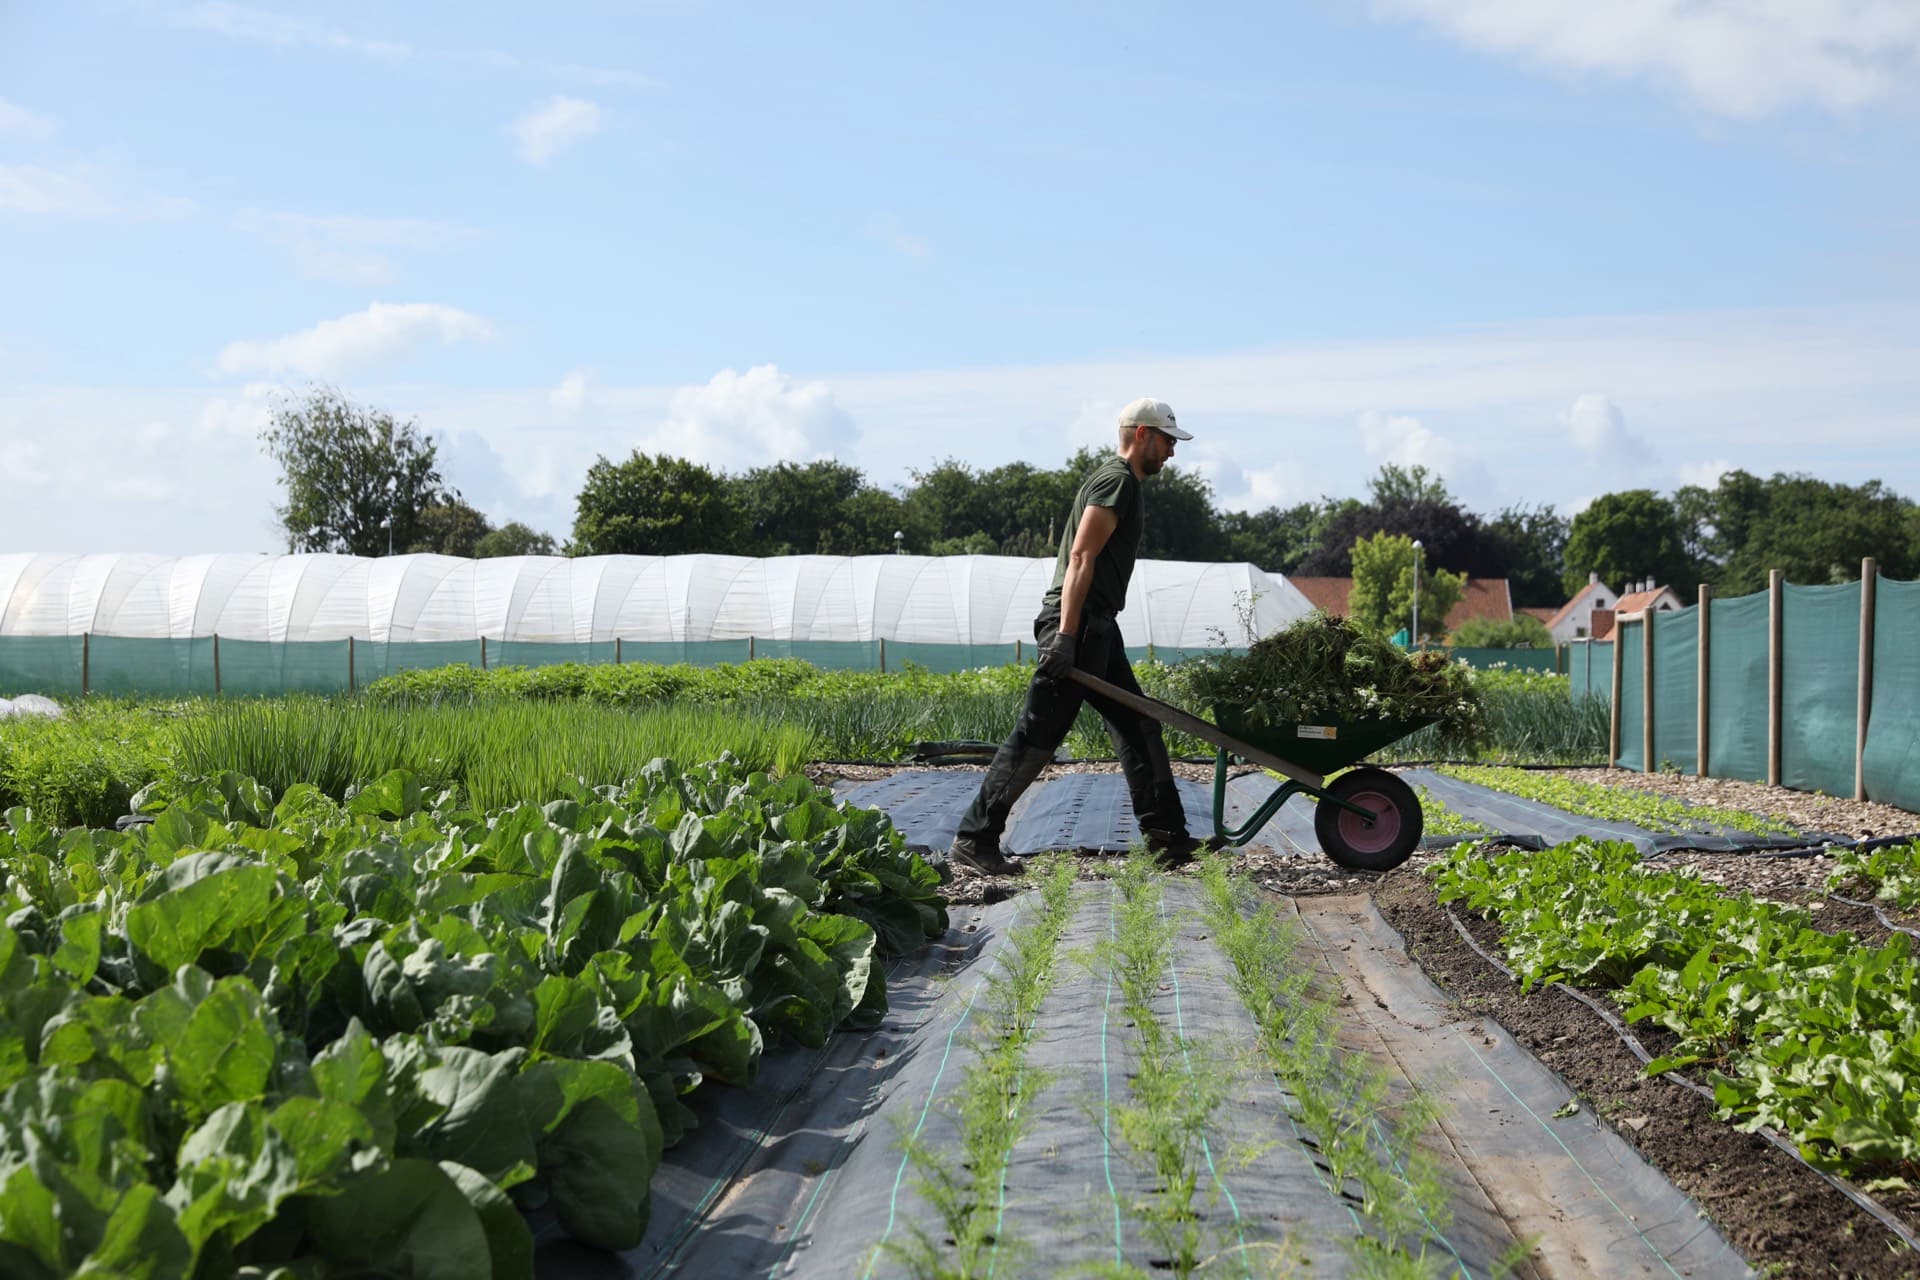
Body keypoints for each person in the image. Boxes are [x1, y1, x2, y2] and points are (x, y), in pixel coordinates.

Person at [948, 397, 1202, 876]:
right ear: (1142, 434)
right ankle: (974, 838)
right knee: (1038, 735)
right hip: (1079, 626)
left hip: (1097, 626)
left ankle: (1168, 839)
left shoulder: (1123, 482)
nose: (1172, 451)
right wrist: (1065, 637)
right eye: (1168, 440)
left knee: (1139, 724)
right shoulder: (1117, 481)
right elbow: (1082, 557)